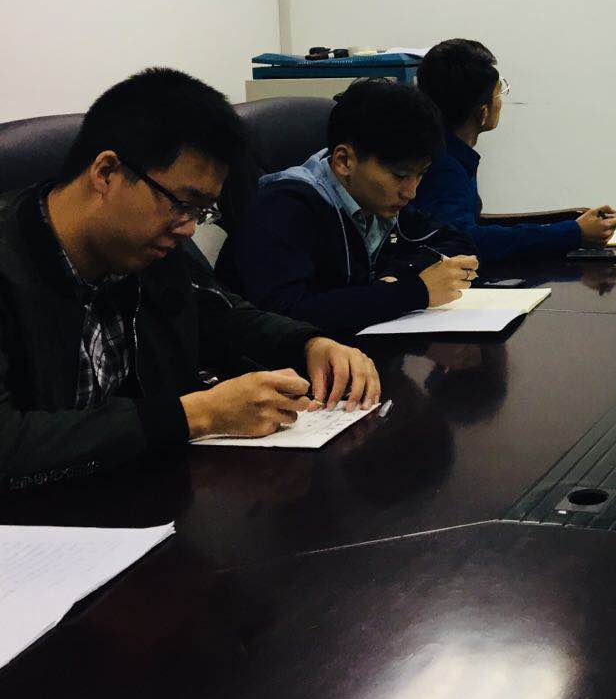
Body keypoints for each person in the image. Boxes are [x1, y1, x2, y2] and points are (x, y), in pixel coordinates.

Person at [0, 69, 380, 489]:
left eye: (202, 212)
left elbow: (220, 315)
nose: (189, 228)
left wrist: (309, 343)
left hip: (142, 494)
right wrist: (197, 414)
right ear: (106, 173)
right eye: (183, 204)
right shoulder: (15, 259)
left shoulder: (145, 248)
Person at [218, 79, 477, 337]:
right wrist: (413, 291)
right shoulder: (283, 208)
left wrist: (396, 276)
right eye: (400, 176)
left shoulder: (374, 201)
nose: (411, 192)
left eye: (420, 175)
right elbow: (286, 313)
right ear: (344, 161)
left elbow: (456, 241)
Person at [413, 39, 616, 259]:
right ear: (483, 112)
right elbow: (466, 241)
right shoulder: (445, 169)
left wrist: (570, 227)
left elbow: (468, 228)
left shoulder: (447, 153)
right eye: (499, 94)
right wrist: (572, 233)